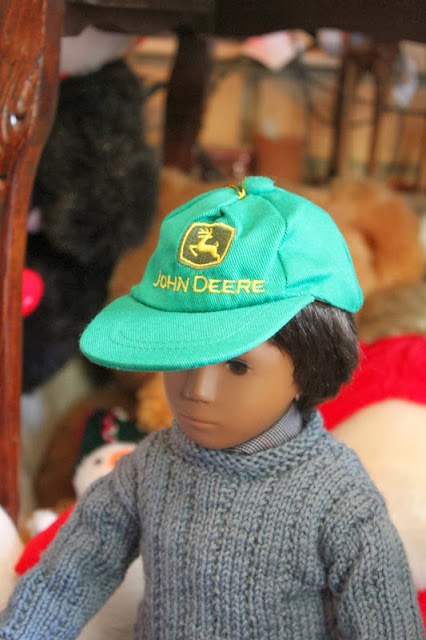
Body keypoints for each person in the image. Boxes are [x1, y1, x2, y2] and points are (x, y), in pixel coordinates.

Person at [0, 176, 424, 639]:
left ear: (311, 363)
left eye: (237, 366)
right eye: (181, 358)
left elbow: (387, 623)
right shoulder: (151, 468)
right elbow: (68, 577)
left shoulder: (336, 495)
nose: (197, 389)